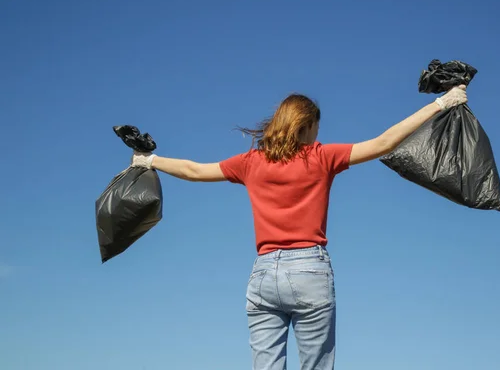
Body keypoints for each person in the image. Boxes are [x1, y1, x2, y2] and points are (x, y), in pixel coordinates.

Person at [130, 85, 468, 370]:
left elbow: (193, 170)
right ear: (306, 126)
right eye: (316, 129)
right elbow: (384, 142)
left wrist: (150, 160)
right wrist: (440, 103)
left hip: (263, 274)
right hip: (309, 270)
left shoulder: (250, 163)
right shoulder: (321, 156)